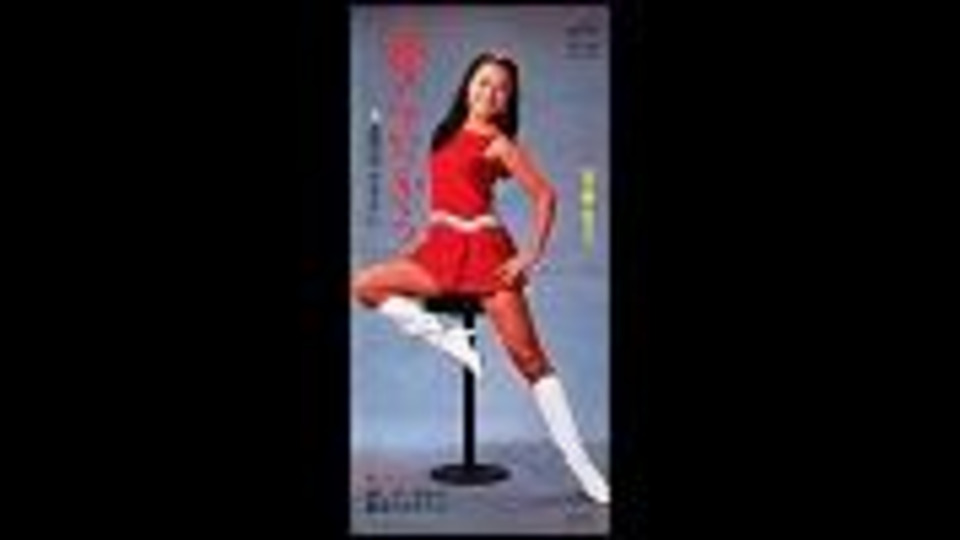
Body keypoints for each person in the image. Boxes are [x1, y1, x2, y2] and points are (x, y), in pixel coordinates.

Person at [351, 51, 610, 505]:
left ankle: (582, 465)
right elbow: (443, 203)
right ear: (468, 83)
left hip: (487, 254)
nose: (490, 92)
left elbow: (546, 196)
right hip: (439, 251)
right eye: (483, 81)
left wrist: (529, 254)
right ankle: (448, 336)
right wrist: (419, 249)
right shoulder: (444, 133)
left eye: (501, 88)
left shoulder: (500, 144)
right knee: (363, 285)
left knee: (530, 359)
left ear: (508, 101)